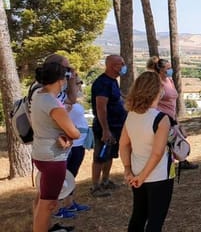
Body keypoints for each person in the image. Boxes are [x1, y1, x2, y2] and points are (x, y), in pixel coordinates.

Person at [119, 71, 176, 232]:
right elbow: (157, 153)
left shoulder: (131, 115)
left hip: (136, 172)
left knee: (138, 215)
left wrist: (128, 170)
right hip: (158, 175)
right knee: (155, 220)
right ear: (157, 91)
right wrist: (142, 177)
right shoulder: (161, 119)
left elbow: (123, 144)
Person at [30, 62, 80, 232]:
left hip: (40, 154)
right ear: (61, 80)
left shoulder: (38, 94)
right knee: (49, 204)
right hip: (53, 158)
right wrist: (71, 135)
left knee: (42, 199)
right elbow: (74, 133)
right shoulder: (52, 103)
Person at [147, 57, 198, 170]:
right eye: (168, 68)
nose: (171, 70)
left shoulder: (169, 81)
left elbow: (173, 99)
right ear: (160, 70)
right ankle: (170, 164)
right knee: (169, 141)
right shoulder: (157, 84)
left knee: (177, 139)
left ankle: (181, 160)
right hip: (163, 117)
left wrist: (176, 118)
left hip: (171, 115)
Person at [91, 54, 129, 197]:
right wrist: (105, 130)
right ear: (113, 66)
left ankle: (105, 181)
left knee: (110, 155)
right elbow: (101, 108)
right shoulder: (102, 83)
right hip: (106, 126)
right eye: (122, 63)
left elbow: (117, 97)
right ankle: (95, 186)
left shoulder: (113, 81)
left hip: (117, 126)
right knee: (100, 156)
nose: (124, 66)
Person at [56, 76, 91, 219]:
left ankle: (69, 203)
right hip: (68, 144)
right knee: (62, 177)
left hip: (78, 143)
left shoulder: (72, 100)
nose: (80, 85)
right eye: (77, 83)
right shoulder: (61, 100)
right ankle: (58, 207)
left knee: (71, 175)